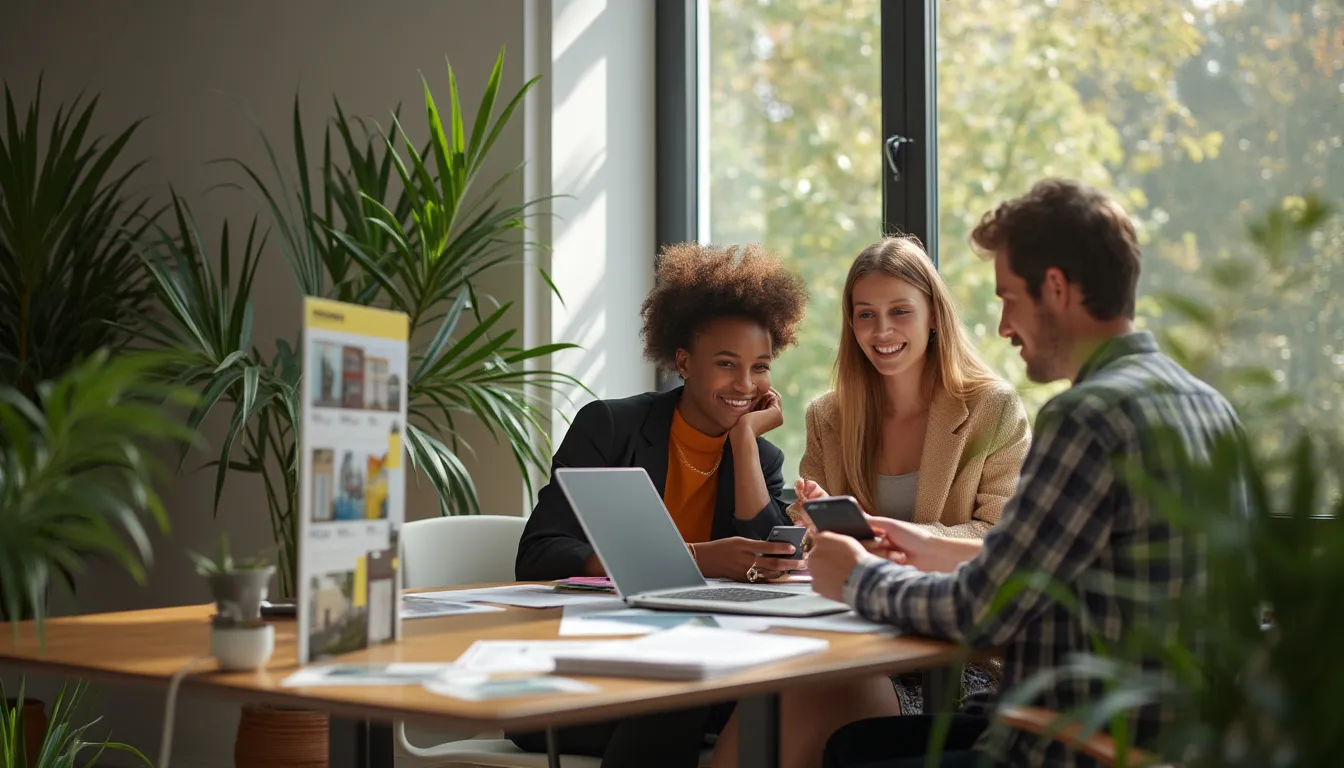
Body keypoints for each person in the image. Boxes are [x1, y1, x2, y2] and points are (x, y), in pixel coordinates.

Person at [809, 178, 1246, 767]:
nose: (1003, 327)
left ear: (1057, 290)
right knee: (855, 742)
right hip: (1166, 744)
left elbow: (981, 612)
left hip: (1066, 746)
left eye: (1010, 298)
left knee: (851, 753)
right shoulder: (1208, 407)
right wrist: (924, 546)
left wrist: (857, 577)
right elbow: (1054, 571)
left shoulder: (1088, 417)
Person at [710, 237, 1031, 768]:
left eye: (899, 311)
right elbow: (811, 551)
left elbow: (1002, 539)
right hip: (851, 641)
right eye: (865, 315)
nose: (881, 332)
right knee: (776, 686)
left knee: (805, 692)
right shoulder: (830, 416)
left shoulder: (990, 408)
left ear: (933, 316)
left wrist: (891, 543)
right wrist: (814, 524)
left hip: (949, 665)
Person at [510, 242, 811, 767]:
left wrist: (742, 441)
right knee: (679, 695)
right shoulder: (610, 427)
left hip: (711, 674)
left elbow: (766, 566)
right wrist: (694, 559)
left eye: (759, 367)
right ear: (683, 362)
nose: (745, 384)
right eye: (725, 364)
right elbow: (540, 552)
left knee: (780, 694)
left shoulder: (759, 458)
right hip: (596, 668)